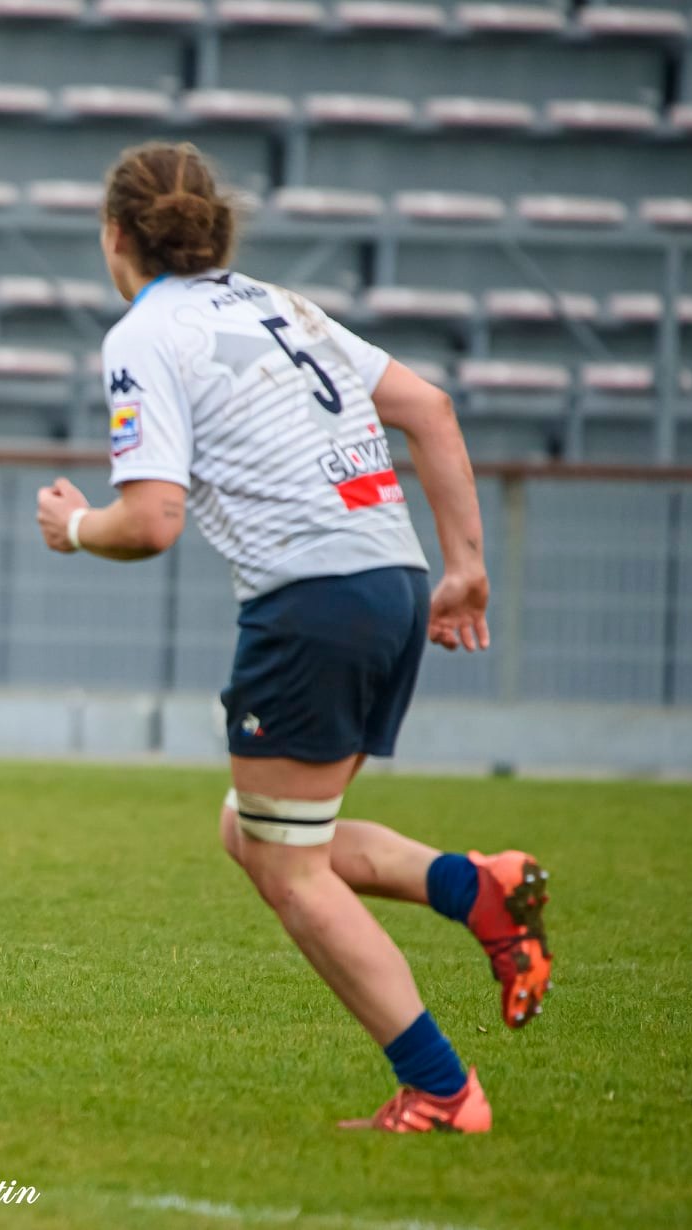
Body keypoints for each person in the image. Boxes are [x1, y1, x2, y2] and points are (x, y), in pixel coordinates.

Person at [35, 141, 552, 1133]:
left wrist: (76, 527)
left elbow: (151, 521)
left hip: (313, 599)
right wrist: (465, 568)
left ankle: (444, 1092)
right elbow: (431, 410)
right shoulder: (283, 307)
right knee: (259, 831)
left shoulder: (145, 334)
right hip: (392, 582)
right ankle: (477, 890)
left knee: (288, 868)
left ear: (116, 236)